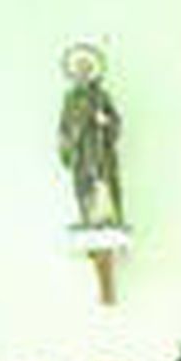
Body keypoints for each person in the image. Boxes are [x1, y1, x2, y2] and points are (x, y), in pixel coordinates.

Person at [57, 43, 123, 228]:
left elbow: (115, 122)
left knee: (104, 182)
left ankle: (108, 219)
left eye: (87, 67)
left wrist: (106, 121)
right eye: (79, 68)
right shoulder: (71, 99)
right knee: (85, 186)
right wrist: (70, 142)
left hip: (101, 150)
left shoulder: (101, 96)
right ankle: (89, 219)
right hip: (83, 151)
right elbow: (65, 127)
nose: (83, 71)